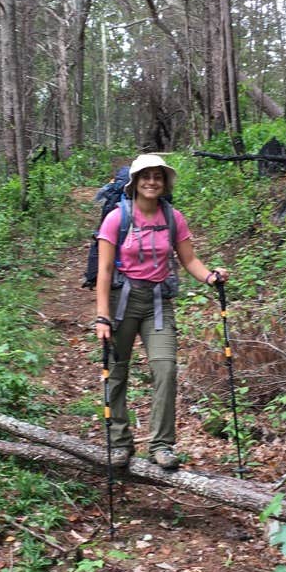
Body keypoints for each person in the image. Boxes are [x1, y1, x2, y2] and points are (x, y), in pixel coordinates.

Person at [94, 153, 228, 470]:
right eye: (146, 176)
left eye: (158, 176)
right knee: (117, 370)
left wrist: (210, 277)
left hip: (158, 303)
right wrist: (102, 316)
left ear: (164, 182)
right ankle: (119, 443)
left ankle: (162, 445)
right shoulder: (116, 218)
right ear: (135, 182)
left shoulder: (172, 218)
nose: (152, 181)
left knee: (165, 369)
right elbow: (102, 272)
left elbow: (189, 259)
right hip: (121, 301)